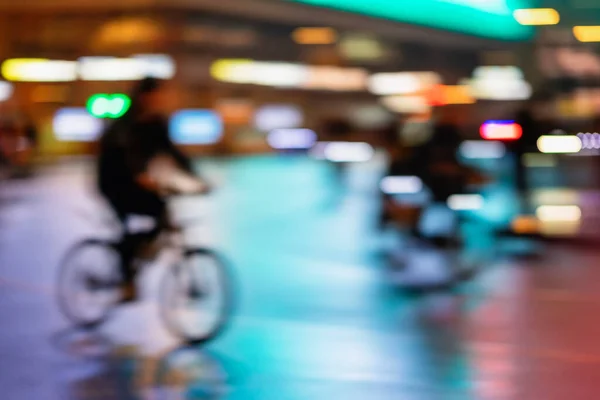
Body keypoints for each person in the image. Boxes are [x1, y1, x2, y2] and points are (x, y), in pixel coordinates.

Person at [97, 77, 203, 301]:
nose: (161, 99)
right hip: (114, 181)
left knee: (160, 212)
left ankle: (140, 250)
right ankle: (126, 281)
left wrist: (197, 178)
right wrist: (139, 176)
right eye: (157, 94)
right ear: (144, 96)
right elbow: (124, 155)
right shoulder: (126, 122)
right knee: (128, 228)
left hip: (139, 181)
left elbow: (172, 153)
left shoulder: (156, 123)